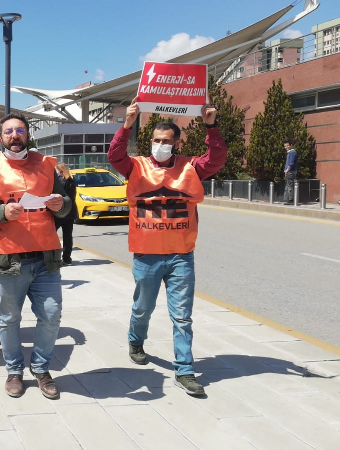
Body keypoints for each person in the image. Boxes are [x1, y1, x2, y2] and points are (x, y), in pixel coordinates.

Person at [108, 98, 225, 396]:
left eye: (166, 141)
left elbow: (216, 159)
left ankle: (184, 370)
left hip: (180, 256)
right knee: (143, 308)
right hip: (146, 255)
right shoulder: (136, 166)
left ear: (176, 143)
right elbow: (115, 156)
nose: (160, 145)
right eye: (156, 140)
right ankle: (136, 340)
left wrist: (211, 127)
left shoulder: (191, 167)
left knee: (182, 316)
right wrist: (127, 125)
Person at [0, 113, 72, 399]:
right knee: (9, 319)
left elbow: (65, 206)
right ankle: (14, 371)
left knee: (51, 316)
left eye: (20, 131)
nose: (15, 135)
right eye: (9, 131)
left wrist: (61, 204)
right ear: (0, 138)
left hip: (45, 259)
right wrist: (1, 212)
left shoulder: (46, 165)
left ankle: (41, 368)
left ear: (28, 136)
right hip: (8, 260)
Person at [54, 163, 76, 265]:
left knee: (52, 234)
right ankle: (67, 258)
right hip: (70, 211)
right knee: (68, 236)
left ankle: (55, 256)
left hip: (60, 211)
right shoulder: (71, 181)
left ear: (60, 171)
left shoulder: (58, 182)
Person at [283, 141, 298, 205]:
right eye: (285, 146)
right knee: (288, 185)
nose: (286, 147)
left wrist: (287, 170)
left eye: (287, 145)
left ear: (291, 145)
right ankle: (287, 199)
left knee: (290, 186)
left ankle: (291, 200)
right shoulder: (290, 153)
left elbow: (291, 163)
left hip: (290, 172)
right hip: (289, 172)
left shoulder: (292, 152)